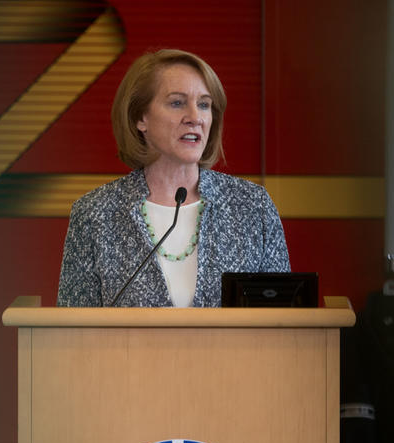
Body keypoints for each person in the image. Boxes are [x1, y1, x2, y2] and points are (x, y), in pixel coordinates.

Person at [57, 49, 290, 307]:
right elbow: (71, 331)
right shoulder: (94, 215)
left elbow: (284, 320)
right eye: (177, 103)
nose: (195, 117)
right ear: (140, 118)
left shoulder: (252, 207)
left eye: (204, 104)